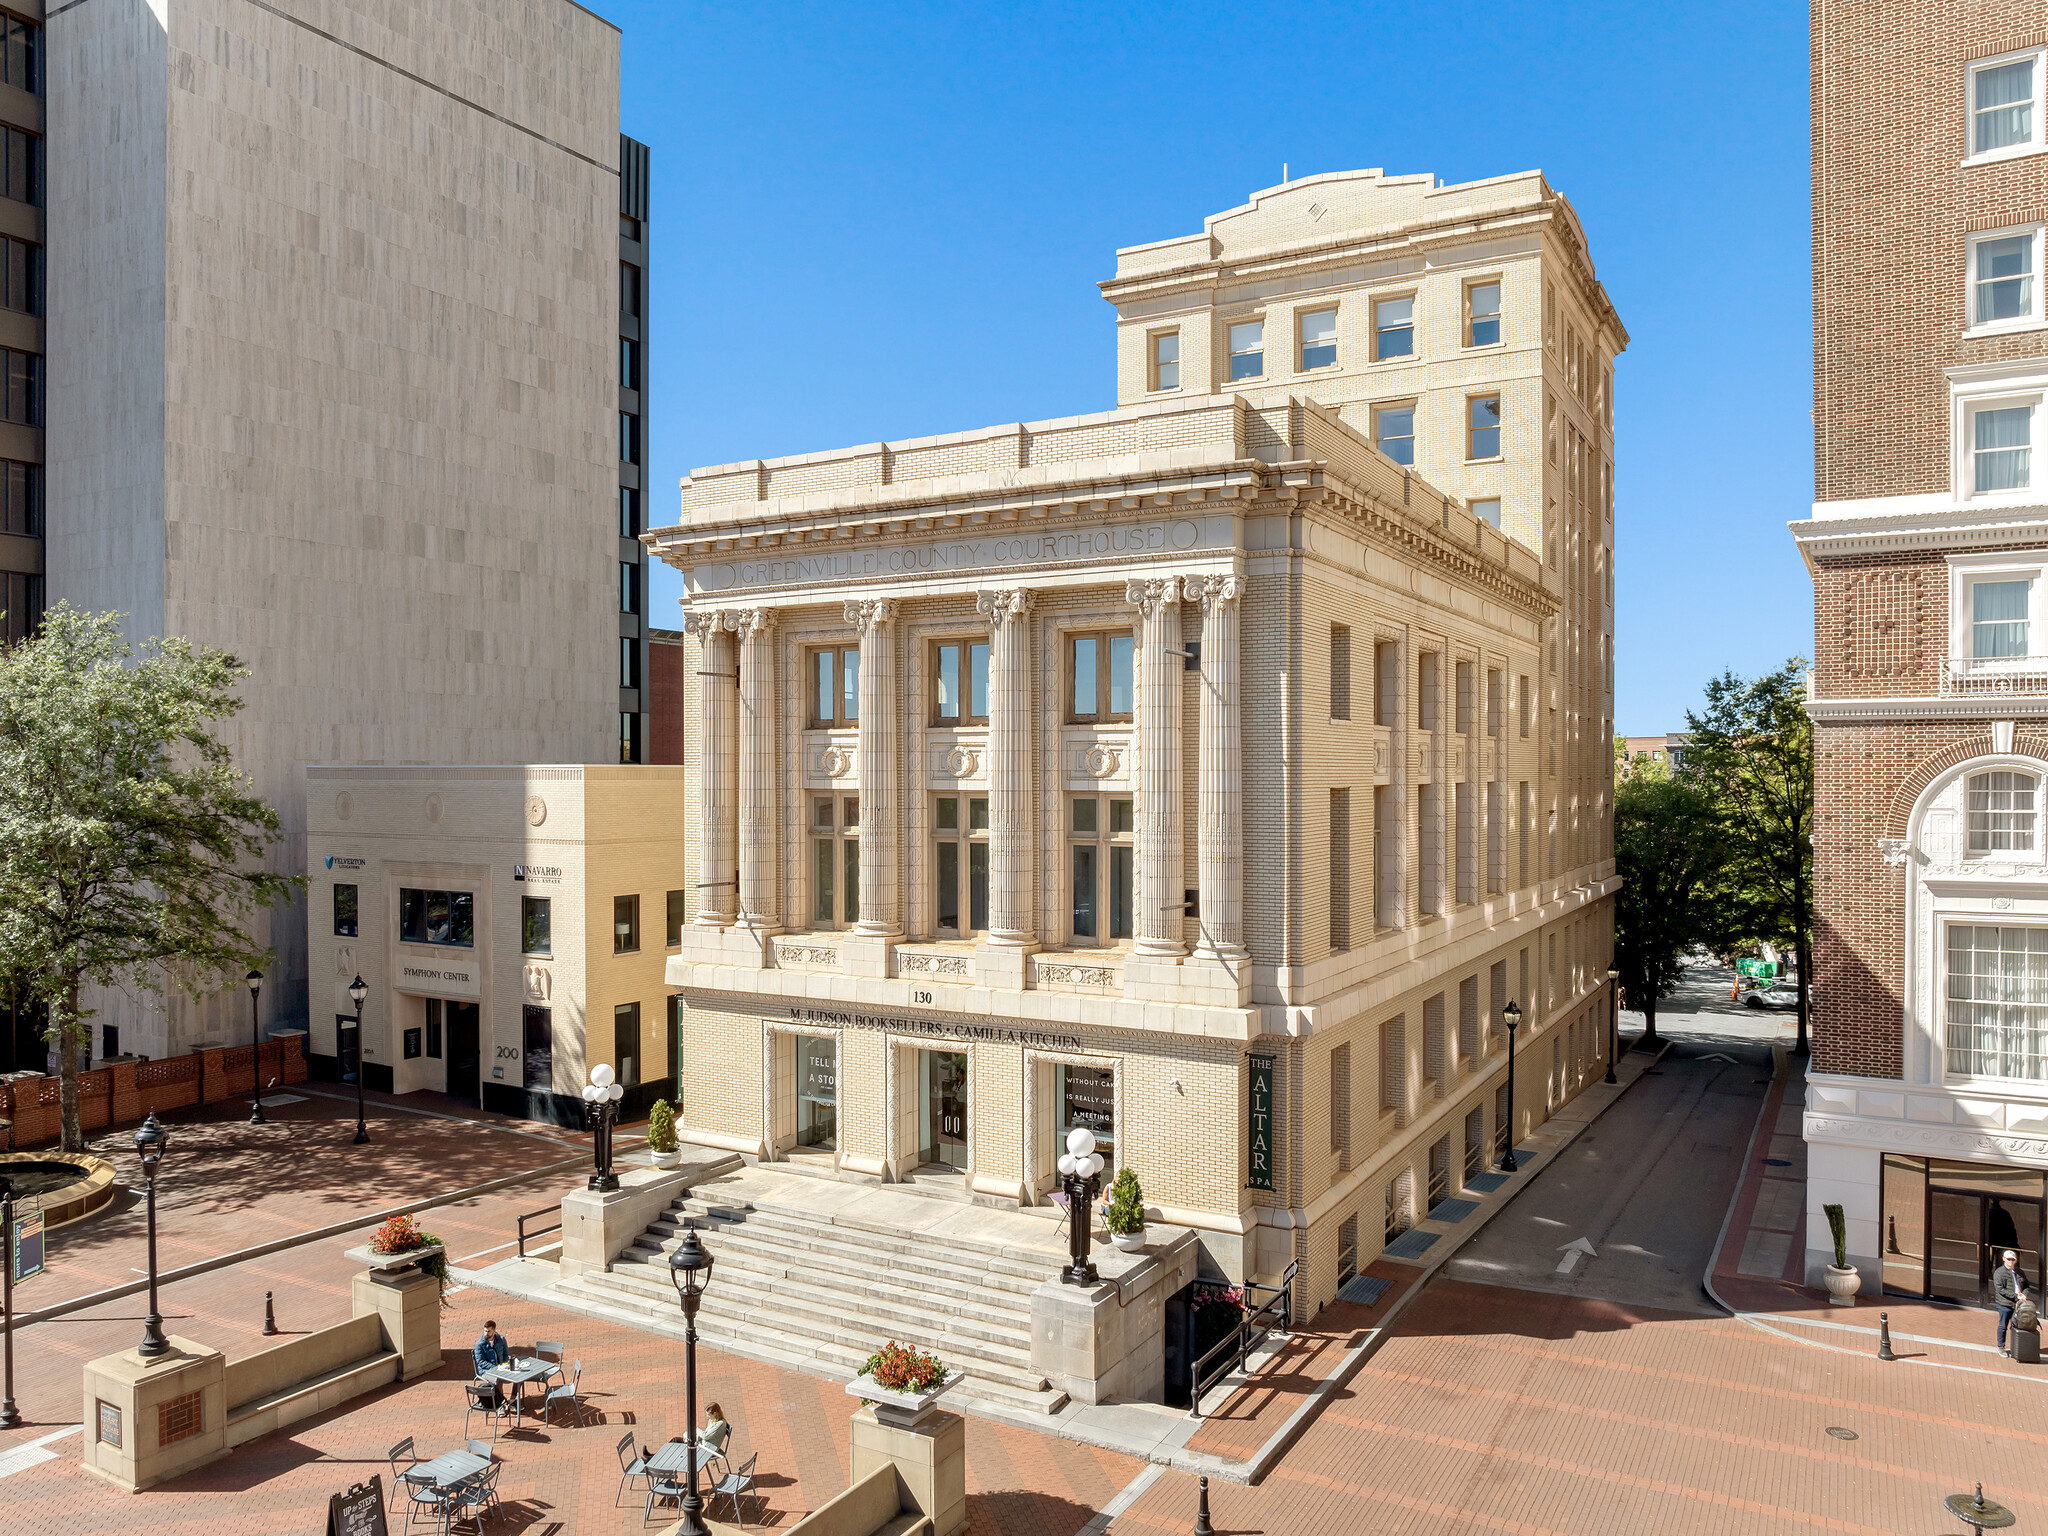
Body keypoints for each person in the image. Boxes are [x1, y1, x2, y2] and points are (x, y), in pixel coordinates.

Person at [1993, 1250, 2031, 1356]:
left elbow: (2027, 1286)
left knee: (2018, 1326)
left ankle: (2017, 1348)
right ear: (2004, 1259)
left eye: (2013, 1259)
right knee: (2003, 1325)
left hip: (2018, 1304)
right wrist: (2016, 1296)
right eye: (2009, 1259)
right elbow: (2000, 1289)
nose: (2011, 1261)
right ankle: (2001, 1347)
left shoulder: (2020, 1272)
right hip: (2004, 1304)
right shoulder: (1999, 1273)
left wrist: (2024, 1294)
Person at [473, 1319, 512, 1414]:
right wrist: (496, 1367)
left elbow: (506, 1354)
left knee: (518, 1377)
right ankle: (501, 1405)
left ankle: (513, 1400)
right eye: (485, 1331)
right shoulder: (479, 1345)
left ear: (494, 1330)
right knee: (498, 1380)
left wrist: (504, 1364)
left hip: (501, 1368)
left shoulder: (501, 1340)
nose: (486, 1333)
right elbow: (481, 1362)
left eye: (489, 1331)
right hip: (486, 1371)